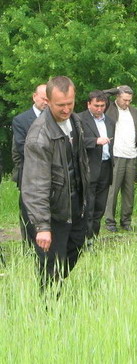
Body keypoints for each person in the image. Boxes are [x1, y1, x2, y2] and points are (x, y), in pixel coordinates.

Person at [21, 76, 89, 289]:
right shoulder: (39, 136)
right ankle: (50, 309)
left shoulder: (75, 122)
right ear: (47, 101)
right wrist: (42, 226)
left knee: (76, 247)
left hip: (75, 206)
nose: (66, 109)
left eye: (70, 103)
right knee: (51, 264)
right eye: (61, 105)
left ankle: (56, 288)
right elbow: (34, 185)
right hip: (52, 210)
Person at [103, 86, 137, 232]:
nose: (127, 103)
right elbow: (101, 95)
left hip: (131, 154)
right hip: (116, 154)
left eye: (129, 100)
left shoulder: (134, 111)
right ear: (117, 97)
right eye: (124, 99)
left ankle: (126, 221)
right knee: (112, 190)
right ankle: (110, 221)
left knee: (129, 191)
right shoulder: (109, 107)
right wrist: (116, 88)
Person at [12, 84, 48, 245]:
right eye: (43, 98)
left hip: (52, 175)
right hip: (29, 174)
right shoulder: (21, 120)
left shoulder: (56, 118)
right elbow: (21, 148)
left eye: (49, 99)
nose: (46, 102)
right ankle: (28, 246)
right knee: (28, 213)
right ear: (34, 97)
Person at [78, 91, 115, 243]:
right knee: (89, 205)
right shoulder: (79, 119)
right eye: (96, 106)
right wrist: (95, 141)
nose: (99, 109)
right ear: (88, 104)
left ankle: (94, 236)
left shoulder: (110, 121)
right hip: (89, 167)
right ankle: (85, 238)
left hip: (105, 166)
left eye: (102, 106)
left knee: (100, 204)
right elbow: (75, 142)